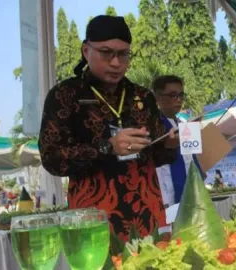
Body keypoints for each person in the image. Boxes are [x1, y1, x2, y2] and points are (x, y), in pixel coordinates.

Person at [38, 15, 178, 241]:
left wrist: (170, 144)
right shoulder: (66, 95)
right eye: (106, 53)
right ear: (86, 51)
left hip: (147, 216)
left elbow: (155, 156)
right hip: (93, 220)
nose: (116, 63)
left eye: (123, 54)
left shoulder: (142, 96)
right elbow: (52, 158)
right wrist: (107, 147)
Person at [153, 75, 203, 207]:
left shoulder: (184, 124)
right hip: (166, 195)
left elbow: (191, 157)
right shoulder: (153, 126)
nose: (178, 100)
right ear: (158, 97)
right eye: (173, 95)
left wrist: (199, 171)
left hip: (190, 191)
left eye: (181, 95)